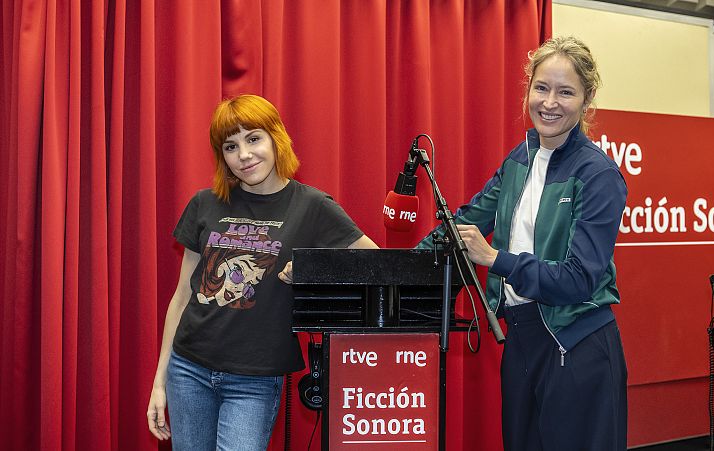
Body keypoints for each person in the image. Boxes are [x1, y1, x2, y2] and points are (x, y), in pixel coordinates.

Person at [418, 36, 628, 450]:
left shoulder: (599, 175)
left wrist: (496, 259)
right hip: (521, 340)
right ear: (528, 91)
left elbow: (579, 279)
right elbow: (462, 224)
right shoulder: (520, 158)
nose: (550, 102)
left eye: (566, 92)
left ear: (587, 102)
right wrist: (389, 267)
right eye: (542, 88)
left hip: (577, 343)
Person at [146, 94, 377, 450]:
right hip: (188, 369)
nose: (244, 155)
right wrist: (159, 381)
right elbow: (182, 297)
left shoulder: (312, 205)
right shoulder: (204, 204)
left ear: (276, 138)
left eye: (254, 138)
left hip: (254, 380)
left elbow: (375, 263)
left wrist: (314, 269)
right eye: (231, 146)